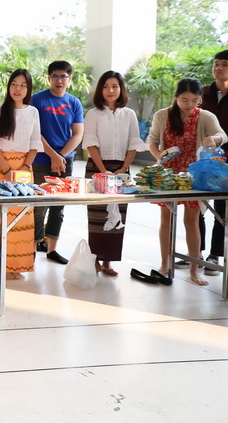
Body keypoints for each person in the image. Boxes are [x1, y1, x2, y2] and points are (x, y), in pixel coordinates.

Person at [147, 78, 226, 286]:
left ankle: (194, 269)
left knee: (191, 221)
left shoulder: (205, 116)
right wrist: (160, 155)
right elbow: (152, 140)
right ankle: (165, 264)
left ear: (200, 99)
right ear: (176, 97)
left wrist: (214, 139)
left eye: (194, 100)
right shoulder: (162, 115)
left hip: (194, 176)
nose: (189, 104)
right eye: (184, 100)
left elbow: (222, 135)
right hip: (167, 174)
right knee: (166, 219)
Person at [0, 69, 41, 279]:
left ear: (28, 89)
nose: (18, 88)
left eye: (23, 85)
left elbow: (35, 142)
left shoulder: (33, 112)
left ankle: (16, 266)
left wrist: (24, 167)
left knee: (21, 217)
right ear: (8, 86)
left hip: (24, 169)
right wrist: (7, 169)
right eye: (14, 83)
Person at [83, 71, 144, 276]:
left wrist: (124, 168)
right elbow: (90, 143)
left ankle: (108, 261)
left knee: (119, 215)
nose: (110, 90)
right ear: (100, 90)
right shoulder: (93, 114)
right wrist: (104, 172)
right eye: (106, 86)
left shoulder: (129, 114)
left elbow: (134, 142)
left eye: (115, 86)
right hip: (97, 167)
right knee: (97, 215)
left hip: (121, 169)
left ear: (121, 89)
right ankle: (95, 260)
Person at [31, 60, 84, 265]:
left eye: (63, 76)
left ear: (70, 79)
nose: (59, 80)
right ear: (49, 78)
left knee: (58, 206)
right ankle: (32, 249)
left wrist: (60, 156)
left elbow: (77, 134)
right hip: (40, 158)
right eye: (55, 76)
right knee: (38, 206)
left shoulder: (74, 103)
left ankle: (52, 249)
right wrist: (53, 156)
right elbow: (36, 132)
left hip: (65, 160)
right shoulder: (37, 99)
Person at [196, 50, 228, 275]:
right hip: (202, 160)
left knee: (222, 210)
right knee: (195, 207)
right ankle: (196, 252)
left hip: (226, 162)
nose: (218, 68)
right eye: (216, 64)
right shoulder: (203, 93)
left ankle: (215, 255)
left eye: (224, 64)